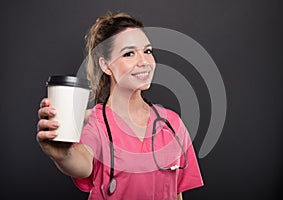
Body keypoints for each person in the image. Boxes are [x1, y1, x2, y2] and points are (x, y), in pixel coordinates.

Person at [37, 11, 204, 200]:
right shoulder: (93, 122)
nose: (144, 62)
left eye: (147, 51)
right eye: (129, 53)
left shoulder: (171, 124)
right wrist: (63, 155)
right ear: (106, 65)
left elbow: (176, 193)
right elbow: (82, 163)